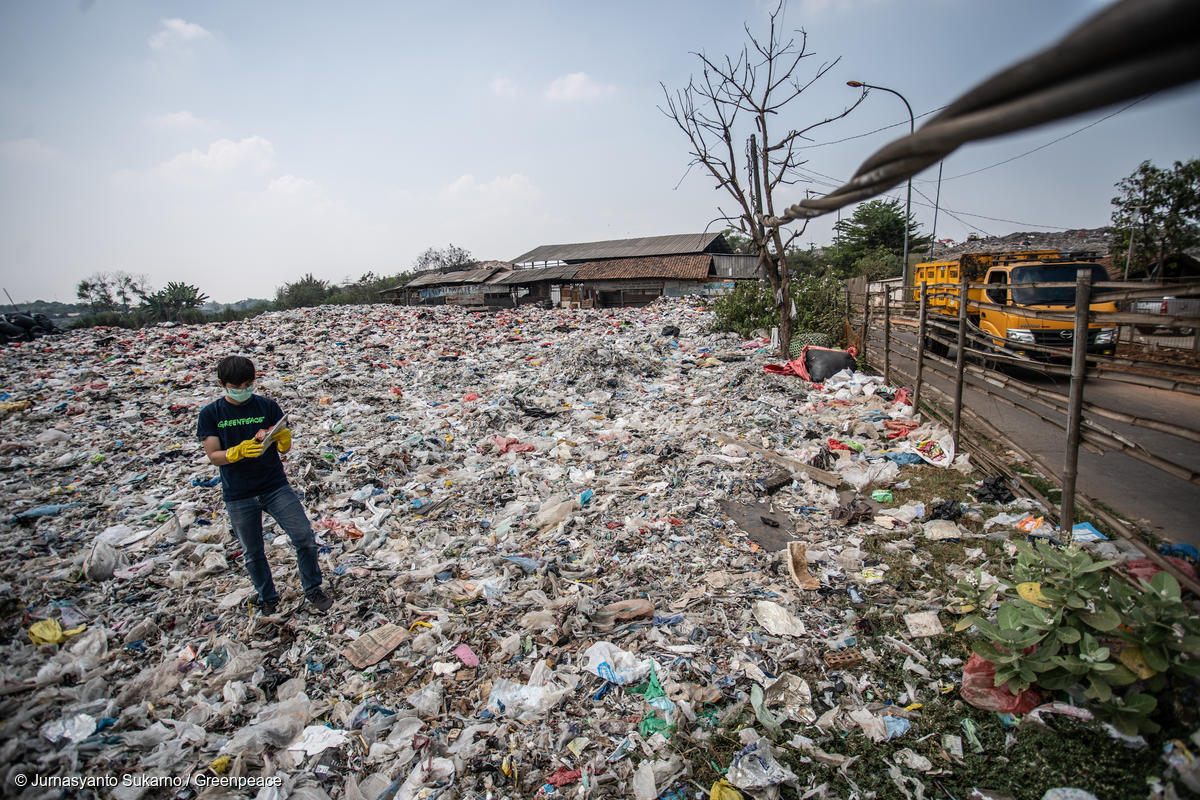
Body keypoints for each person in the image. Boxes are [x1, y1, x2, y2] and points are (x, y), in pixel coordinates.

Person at [196, 355, 332, 614]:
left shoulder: (267, 407)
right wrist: (235, 452)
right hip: (238, 493)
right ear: (222, 384)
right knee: (253, 551)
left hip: (274, 485)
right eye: (236, 387)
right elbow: (213, 455)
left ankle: (313, 588)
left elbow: (284, 446)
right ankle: (268, 597)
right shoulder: (211, 414)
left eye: (247, 384)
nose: (243, 390)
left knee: (303, 536)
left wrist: (283, 439)